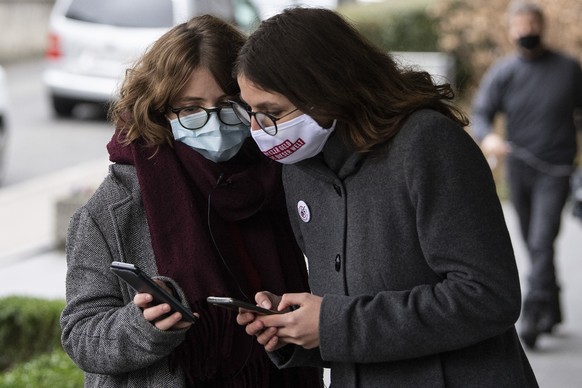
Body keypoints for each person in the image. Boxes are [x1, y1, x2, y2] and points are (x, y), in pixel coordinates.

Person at [232, 7, 539, 388]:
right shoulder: (299, 169)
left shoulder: (428, 143)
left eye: (271, 111)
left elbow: (489, 296)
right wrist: (295, 327)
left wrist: (331, 324)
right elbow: (354, 312)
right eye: (251, 111)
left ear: (324, 87)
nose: (259, 128)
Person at [60, 15, 323, 388]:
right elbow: (80, 336)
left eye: (229, 103)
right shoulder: (112, 208)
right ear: (159, 110)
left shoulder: (286, 174)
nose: (213, 122)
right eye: (190, 108)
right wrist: (143, 324)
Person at [471, 2, 582, 349]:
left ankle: (533, 317)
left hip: (557, 168)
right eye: (520, 25)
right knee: (533, 243)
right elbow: (481, 113)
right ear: (511, 30)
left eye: (532, 23)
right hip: (519, 170)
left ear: (542, 26)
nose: (527, 30)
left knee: (540, 240)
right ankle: (553, 308)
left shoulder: (569, 69)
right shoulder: (504, 72)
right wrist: (489, 136)